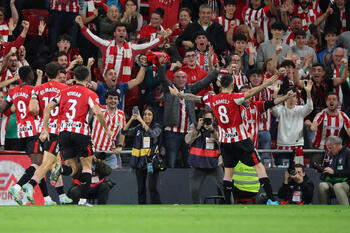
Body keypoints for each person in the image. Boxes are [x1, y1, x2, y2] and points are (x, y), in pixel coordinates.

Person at [168, 74, 280, 204]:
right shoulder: (235, 97)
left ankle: (227, 203)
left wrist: (179, 94)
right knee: (259, 168)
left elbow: (194, 98)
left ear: (220, 85)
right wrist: (266, 84)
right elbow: (250, 92)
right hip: (240, 139)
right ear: (233, 85)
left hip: (225, 142)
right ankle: (271, 199)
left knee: (228, 174)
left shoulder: (212, 98)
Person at [41, 66, 112, 206]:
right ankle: (83, 200)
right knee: (86, 166)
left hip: (64, 133)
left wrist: (45, 129)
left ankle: (60, 169)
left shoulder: (64, 92)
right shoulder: (90, 93)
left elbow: (48, 107)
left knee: (72, 169)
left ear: (74, 78)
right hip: (81, 133)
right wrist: (106, 129)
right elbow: (98, 112)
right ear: (87, 78)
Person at [1, 66, 55, 205]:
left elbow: (3, 108)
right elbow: (35, 108)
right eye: (32, 73)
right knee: (37, 163)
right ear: (30, 76)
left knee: (38, 164)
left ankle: (46, 198)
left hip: (21, 131)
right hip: (34, 130)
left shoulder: (13, 91)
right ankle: (17, 186)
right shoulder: (33, 90)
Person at [23, 62, 73, 205]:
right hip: (55, 130)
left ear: (46, 74)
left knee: (56, 163)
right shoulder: (65, 88)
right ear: (59, 74)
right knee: (49, 162)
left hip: (41, 130)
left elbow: (32, 108)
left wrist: (40, 114)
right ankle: (30, 185)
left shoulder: (37, 89)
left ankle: (62, 195)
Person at [159, 63, 219, 168]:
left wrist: (216, 70)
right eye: (178, 77)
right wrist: (161, 64)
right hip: (172, 133)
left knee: (190, 162)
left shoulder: (190, 89)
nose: (181, 79)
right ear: (173, 79)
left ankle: (190, 184)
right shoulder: (170, 89)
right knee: (171, 163)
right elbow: (163, 78)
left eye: (183, 77)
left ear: (187, 79)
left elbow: (204, 82)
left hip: (189, 132)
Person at [75, 15, 172, 80]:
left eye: (123, 31)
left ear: (126, 34)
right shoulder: (106, 44)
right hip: (105, 82)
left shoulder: (132, 47)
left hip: (122, 85)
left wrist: (163, 38)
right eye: (119, 30)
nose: (121, 32)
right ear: (114, 33)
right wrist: (82, 25)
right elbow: (93, 37)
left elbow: (148, 45)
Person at [122, 107, 162, 204]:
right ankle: (142, 208)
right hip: (140, 161)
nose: (146, 116)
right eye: (145, 114)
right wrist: (132, 118)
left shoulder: (157, 126)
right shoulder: (138, 128)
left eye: (149, 114)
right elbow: (124, 132)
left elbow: (153, 135)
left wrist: (140, 120)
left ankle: (157, 208)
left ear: (153, 117)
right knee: (141, 189)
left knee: (152, 188)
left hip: (152, 161)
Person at [185, 108, 223, 204]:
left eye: (209, 119)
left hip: (214, 163)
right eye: (205, 119)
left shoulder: (218, 128)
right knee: (194, 190)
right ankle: (197, 209)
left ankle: (231, 206)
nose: (207, 121)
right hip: (198, 163)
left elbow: (222, 141)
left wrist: (212, 131)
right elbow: (187, 140)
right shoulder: (195, 126)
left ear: (214, 119)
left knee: (225, 186)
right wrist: (197, 129)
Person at [271, 81, 313, 166]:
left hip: (297, 146)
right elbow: (274, 110)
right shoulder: (280, 110)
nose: (292, 98)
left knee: (298, 172)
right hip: (282, 146)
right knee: (281, 172)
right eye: (289, 96)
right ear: (285, 98)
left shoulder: (300, 110)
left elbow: (310, 107)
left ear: (297, 99)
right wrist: (275, 93)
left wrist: (308, 92)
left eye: (294, 96)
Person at [92, 89, 126, 169]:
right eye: (110, 98)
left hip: (110, 153)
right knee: (92, 179)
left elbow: (123, 131)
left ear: (118, 101)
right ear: (106, 100)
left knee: (113, 178)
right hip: (94, 151)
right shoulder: (98, 109)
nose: (113, 101)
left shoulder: (121, 114)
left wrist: (120, 146)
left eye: (115, 99)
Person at [318, 136, 350, 205]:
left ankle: (345, 210)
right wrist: (323, 171)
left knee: (338, 186)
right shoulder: (332, 154)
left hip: (347, 183)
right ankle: (324, 211)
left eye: (330, 148)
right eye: (328, 148)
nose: (329, 150)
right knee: (322, 185)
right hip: (333, 182)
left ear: (338, 145)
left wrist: (334, 172)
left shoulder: (348, 153)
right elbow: (330, 171)